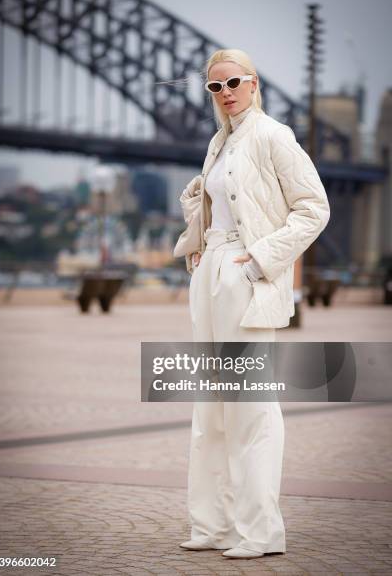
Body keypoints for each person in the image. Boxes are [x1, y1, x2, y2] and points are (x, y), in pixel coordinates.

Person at [176, 48, 331, 559]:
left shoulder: (273, 135)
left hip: (245, 275)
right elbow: (219, 209)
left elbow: (313, 209)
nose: (225, 93)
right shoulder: (219, 143)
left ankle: (260, 532)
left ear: (253, 82)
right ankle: (213, 524)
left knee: (250, 408)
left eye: (233, 83)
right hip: (211, 275)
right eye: (214, 87)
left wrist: (259, 258)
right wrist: (199, 245)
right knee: (211, 407)